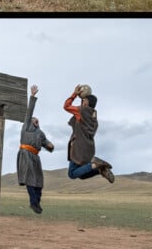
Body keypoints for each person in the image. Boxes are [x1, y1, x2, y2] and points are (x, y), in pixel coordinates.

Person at [64, 85, 114, 183]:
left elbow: (66, 106)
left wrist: (75, 94)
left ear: (87, 102)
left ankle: (96, 163)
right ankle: (100, 169)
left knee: (72, 174)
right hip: (88, 149)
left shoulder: (81, 112)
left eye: (84, 100)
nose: (82, 101)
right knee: (82, 175)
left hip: (79, 149)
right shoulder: (94, 118)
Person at [17, 84, 55, 213]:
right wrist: (32, 97)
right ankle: (33, 202)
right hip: (25, 154)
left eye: (37, 120)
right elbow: (29, 113)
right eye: (34, 119)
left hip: (35, 157)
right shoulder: (26, 126)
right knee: (29, 179)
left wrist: (51, 146)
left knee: (39, 181)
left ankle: (36, 203)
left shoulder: (40, 133)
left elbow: (46, 143)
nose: (36, 120)